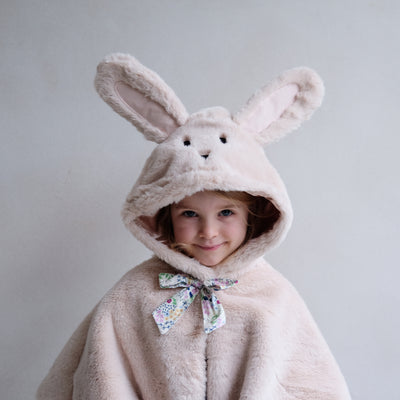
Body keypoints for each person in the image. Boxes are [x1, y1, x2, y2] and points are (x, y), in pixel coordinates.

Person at [37, 54, 351, 399]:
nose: (209, 232)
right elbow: (97, 375)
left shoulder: (273, 297)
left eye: (226, 213)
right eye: (189, 214)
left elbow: (312, 384)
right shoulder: (134, 295)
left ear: (255, 213)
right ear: (163, 216)